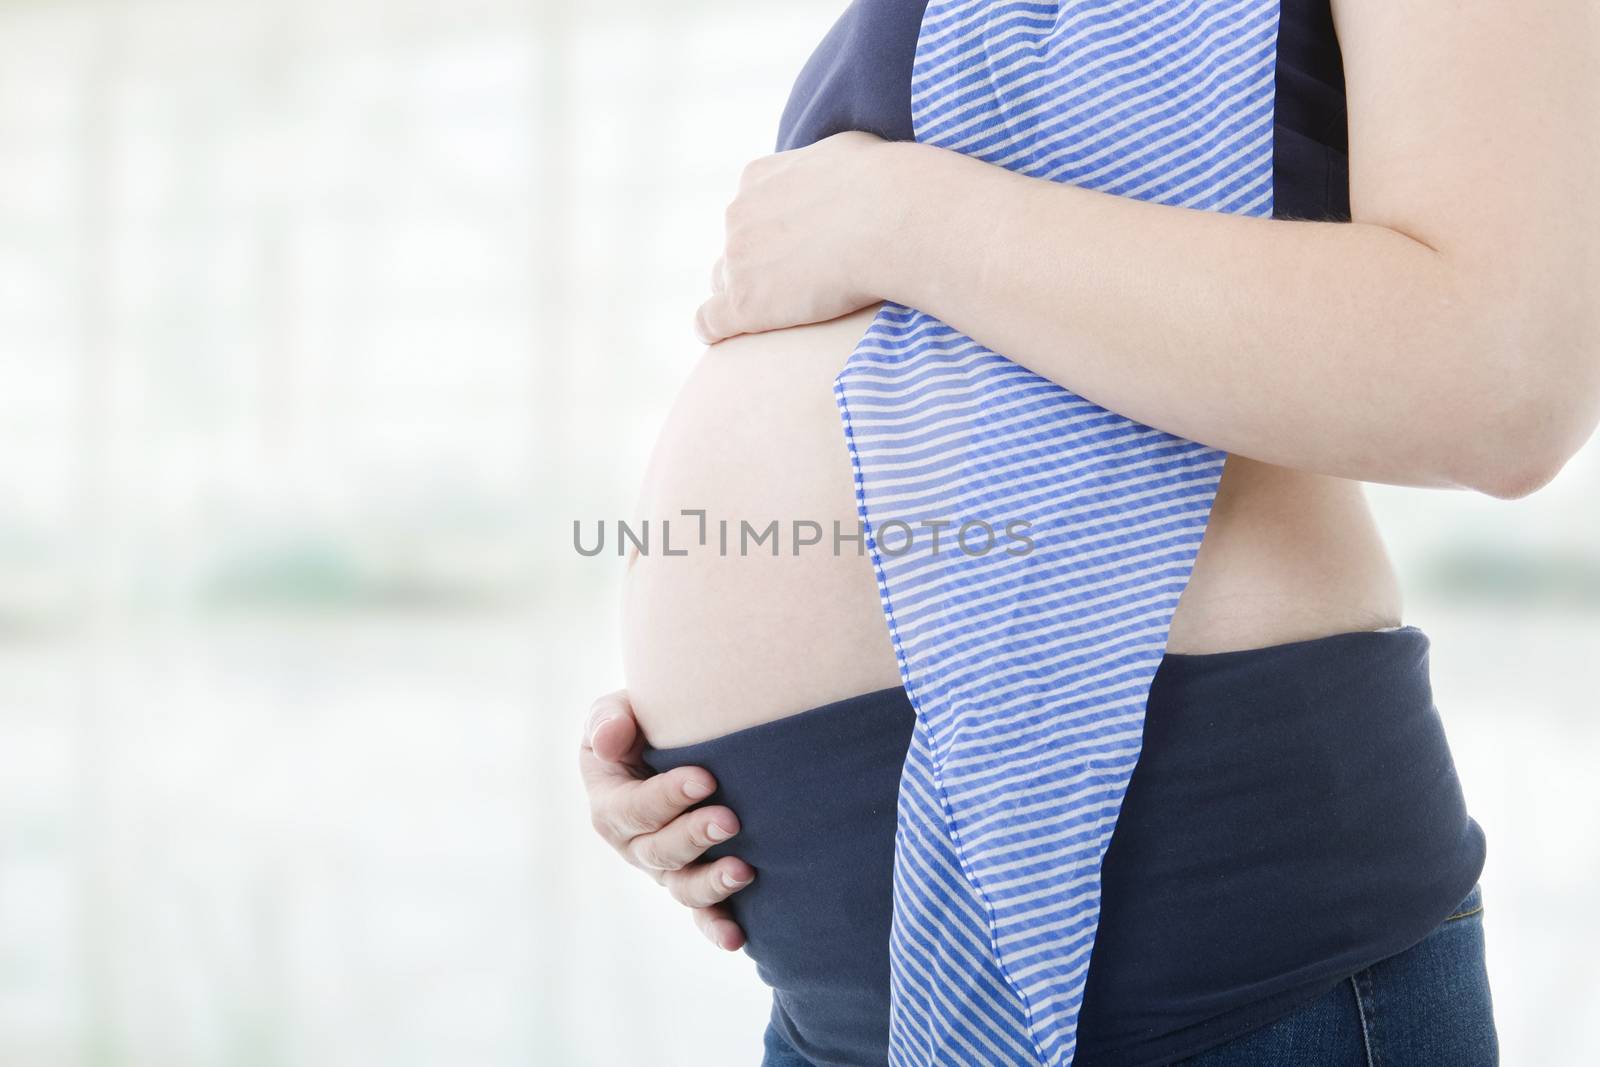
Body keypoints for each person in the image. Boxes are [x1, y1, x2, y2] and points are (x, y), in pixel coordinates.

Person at [579, 0, 1599, 1063]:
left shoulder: (904, 189)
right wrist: (687, 738)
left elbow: (1501, 378)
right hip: (831, 994)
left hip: (1224, 961)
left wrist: (900, 215)